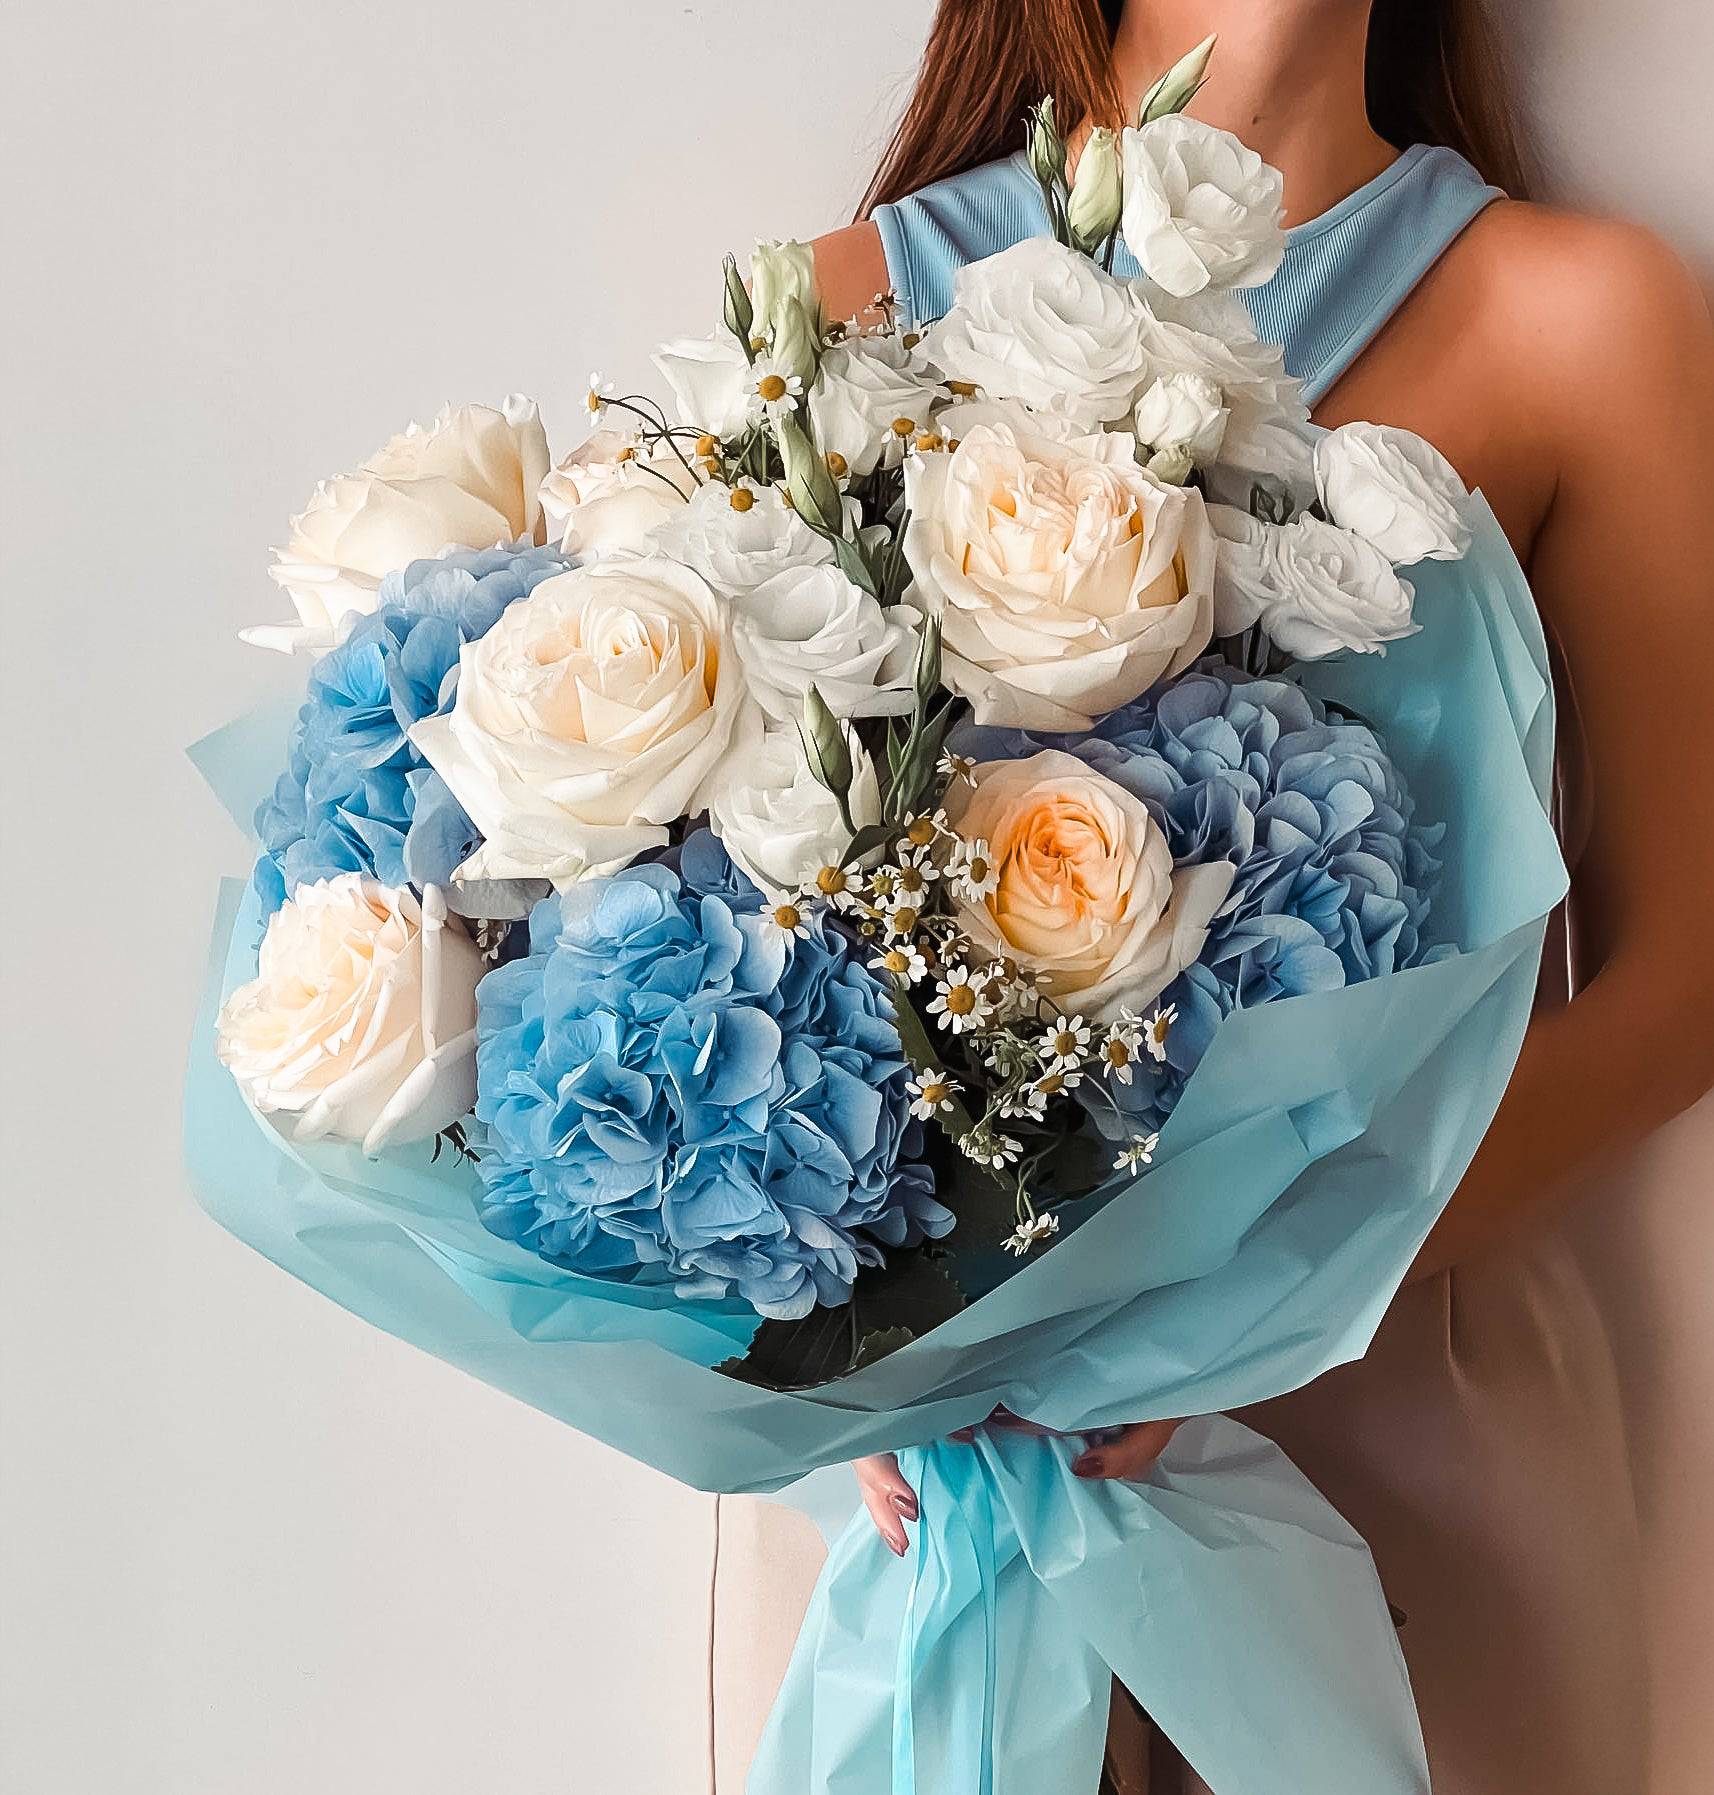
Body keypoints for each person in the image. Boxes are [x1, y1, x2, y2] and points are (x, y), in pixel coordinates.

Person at [707, 3, 1714, 1791]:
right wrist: (821, 1333)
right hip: (915, 1476)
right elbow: (717, 934)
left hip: (1398, 1400)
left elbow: (1683, 977)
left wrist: (1239, 1289)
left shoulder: (1578, 315)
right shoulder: (833, 303)